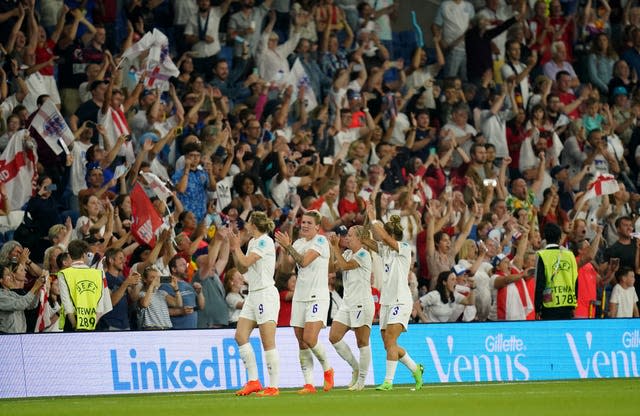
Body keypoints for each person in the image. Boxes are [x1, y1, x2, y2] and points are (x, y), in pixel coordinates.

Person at [275, 211, 334, 394]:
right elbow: (286, 269)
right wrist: (285, 249)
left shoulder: (321, 241)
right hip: (300, 296)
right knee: (301, 342)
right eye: (303, 222)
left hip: (318, 296)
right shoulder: (299, 243)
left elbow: (305, 261)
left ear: (317, 227)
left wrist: (288, 246)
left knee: (310, 338)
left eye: (309, 223)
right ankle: (309, 384)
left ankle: (327, 369)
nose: (305, 225)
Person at [366, 204, 423, 391]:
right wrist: (365, 225)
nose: (381, 239)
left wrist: (374, 218)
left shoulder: (404, 248)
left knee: (390, 341)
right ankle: (416, 369)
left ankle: (389, 382)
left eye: (384, 236)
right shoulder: (386, 250)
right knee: (388, 345)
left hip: (401, 300)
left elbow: (381, 237)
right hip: (386, 302)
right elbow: (369, 241)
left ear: (391, 236)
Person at [225, 211, 281, 397]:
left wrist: (236, 247)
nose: (246, 225)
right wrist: (235, 249)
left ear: (254, 225)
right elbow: (242, 267)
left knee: (267, 341)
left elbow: (247, 261)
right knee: (240, 336)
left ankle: (273, 386)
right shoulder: (252, 243)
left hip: (265, 294)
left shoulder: (265, 241)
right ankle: (253, 381)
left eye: (248, 222)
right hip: (253, 295)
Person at [328, 225, 375, 391]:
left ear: (360, 239)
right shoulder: (347, 253)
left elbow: (346, 266)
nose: (346, 238)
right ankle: (355, 367)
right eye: (346, 235)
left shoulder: (363, 254)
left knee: (362, 342)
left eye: (350, 235)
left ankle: (361, 381)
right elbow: (332, 268)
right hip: (347, 304)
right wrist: (331, 248)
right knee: (334, 336)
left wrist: (335, 247)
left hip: (361, 303)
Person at [58, 240, 113, 331]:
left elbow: (66, 302)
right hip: (94, 320)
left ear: (70, 255)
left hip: (73, 320)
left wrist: (74, 324)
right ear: (84, 255)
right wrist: (93, 323)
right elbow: (100, 302)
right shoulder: (98, 273)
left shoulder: (64, 273)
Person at [535, 223, 579, 320]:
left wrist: (537, 308)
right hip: (568, 304)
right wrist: (574, 305)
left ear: (545, 238)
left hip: (549, 306)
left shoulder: (542, 255)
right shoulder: (570, 255)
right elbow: (575, 280)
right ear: (560, 238)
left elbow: (539, 283)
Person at [101, 247, 141, 330]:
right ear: (111, 260)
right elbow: (111, 302)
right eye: (120, 258)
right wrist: (126, 283)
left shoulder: (122, 278)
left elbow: (134, 298)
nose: (124, 261)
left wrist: (136, 283)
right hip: (110, 325)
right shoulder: (104, 278)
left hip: (125, 325)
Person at [0, 263, 45, 333]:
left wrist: (38, 289)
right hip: (8, 338)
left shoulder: (12, 293)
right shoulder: (1, 296)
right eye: (8, 275)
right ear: (1, 280)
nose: (12, 276)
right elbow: (21, 304)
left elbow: (31, 305)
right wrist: (34, 287)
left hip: (21, 335)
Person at [137, 266, 182, 330]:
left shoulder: (162, 293)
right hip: (151, 329)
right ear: (145, 279)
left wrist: (176, 289)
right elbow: (145, 304)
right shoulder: (142, 294)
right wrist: (152, 285)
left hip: (166, 328)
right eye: (152, 277)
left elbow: (178, 304)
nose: (156, 279)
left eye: (157, 277)